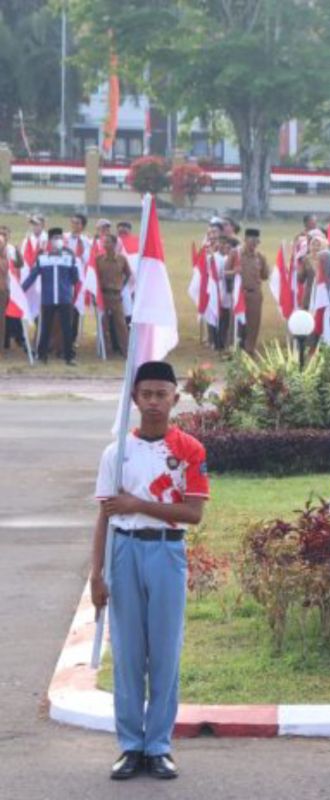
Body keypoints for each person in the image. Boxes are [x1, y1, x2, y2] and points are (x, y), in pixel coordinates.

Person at [91, 361, 209, 780]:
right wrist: (96, 573)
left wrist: (139, 505)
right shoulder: (116, 451)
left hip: (166, 554)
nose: (155, 402)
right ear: (134, 398)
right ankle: (130, 745)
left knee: (163, 652)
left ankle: (158, 744)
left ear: (176, 398)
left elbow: (192, 514)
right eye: (147, 394)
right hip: (124, 552)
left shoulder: (190, 450)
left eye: (163, 394)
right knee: (126, 653)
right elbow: (106, 515)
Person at [22, 226, 81, 365]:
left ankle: (69, 357)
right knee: (45, 328)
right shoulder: (42, 259)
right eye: (55, 238)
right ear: (49, 241)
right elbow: (32, 277)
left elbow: (75, 279)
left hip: (64, 298)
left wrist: (72, 266)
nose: (58, 240)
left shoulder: (68, 258)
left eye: (60, 238)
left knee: (67, 328)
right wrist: (20, 290)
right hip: (48, 299)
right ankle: (42, 356)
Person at [94, 233, 133, 356]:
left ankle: (126, 350)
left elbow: (128, 274)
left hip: (116, 296)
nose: (105, 244)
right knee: (104, 323)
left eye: (108, 242)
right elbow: (94, 277)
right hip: (103, 295)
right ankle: (106, 350)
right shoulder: (98, 259)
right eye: (104, 242)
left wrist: (121, 285)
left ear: (115, 244)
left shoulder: (122, 259)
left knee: (120, 324)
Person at [238, 229, 271, 354]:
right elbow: (226, 272)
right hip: (240, 293)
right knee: (239, 322)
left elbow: (265, 275)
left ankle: (249, 348)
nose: (253, 245)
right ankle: (237, 346)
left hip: (254, 294)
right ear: (245, 240)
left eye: (256, 242)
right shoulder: (237, 255)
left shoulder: (260, 257)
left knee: (253, 322)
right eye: (251, 241)